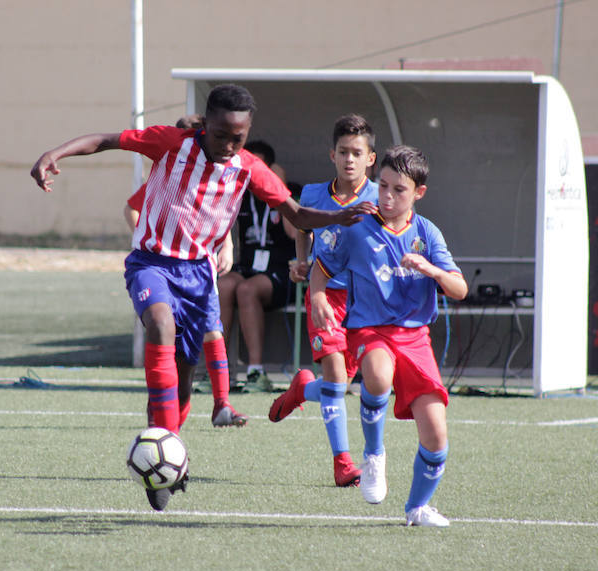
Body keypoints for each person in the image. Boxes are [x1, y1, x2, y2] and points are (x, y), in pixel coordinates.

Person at [30, 83, 373, 511]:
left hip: (198, 273)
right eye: (221, 135)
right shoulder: (171, 142)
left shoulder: (249, 168)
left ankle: (169, 451)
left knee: (186, 370)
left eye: (239, 138)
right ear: (204, 124)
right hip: (151, 263)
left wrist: (341, 215)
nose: (230, 145)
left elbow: (297, 214)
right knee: (159, 324)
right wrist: (54, 154)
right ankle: (162, 441)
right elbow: (105, 140)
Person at [271, 145, 468, 527]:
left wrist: (430, 269)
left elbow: (459, 288)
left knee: (436, 434)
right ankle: (374, 456)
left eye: (400, 190)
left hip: (416, 339)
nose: (389, 197)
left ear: (419, 193)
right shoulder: (358, 227)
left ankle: (416, 508)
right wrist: (316, 299)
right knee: (376, 374)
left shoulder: (427, 234)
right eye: (384, 187)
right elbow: (321, 268)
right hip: (369, 330)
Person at [123, 114, 246, 428]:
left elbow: (221, 215)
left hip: (198, 271)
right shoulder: (166, 176)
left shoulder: (220, 176)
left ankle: (220, 404)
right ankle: (162, 418)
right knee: (166, 334)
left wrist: (227, 246)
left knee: (210, 333)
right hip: (162, 266)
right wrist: (152, 235)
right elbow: (132, 207)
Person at [274, 114, 378, 488]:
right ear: (331, 155)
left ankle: (303, 389)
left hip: (366, 301)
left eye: (357, 153)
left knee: (339, 386)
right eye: (343, 152)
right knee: (336, 377)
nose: (349, 159)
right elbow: (303, 230)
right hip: (324, 296)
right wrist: (302, 261)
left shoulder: (381, 197)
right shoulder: (315, 194)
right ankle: (343, 463)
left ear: (371, 158)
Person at [217, 140, 297, 393]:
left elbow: (295, 233)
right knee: (225, 284)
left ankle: (255, 371)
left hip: (282, 272)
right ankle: (217, 370)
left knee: (247, 290)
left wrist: (279, 190)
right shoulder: (238, 193)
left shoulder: (289, 192)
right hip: (249, 268)